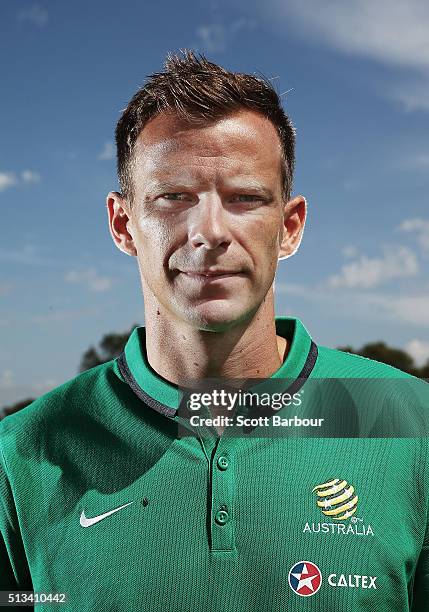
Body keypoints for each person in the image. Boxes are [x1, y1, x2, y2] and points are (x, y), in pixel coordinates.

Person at [1, 49, 428, 611]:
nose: (209, 231)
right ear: (123, 224)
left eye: (245, 198)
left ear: (290, 227)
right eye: (173, 198)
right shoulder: (19, 456)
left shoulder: (412, 423)